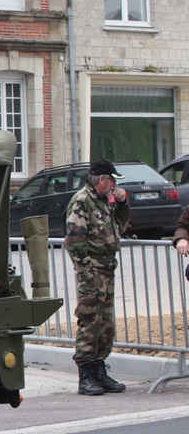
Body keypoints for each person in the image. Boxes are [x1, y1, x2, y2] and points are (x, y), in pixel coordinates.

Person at [64, 159, 130, 396]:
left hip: (107, 270)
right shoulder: (83, 201)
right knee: (90, 321)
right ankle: (86, 376)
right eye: (112, 180)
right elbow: (74, 241)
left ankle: (99, 370)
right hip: (92, 272)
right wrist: (87, 273)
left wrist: (122, 205)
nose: (114, 185)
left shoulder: (102, 201)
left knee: (106, 323)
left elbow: (119, 228)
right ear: (102, 179)